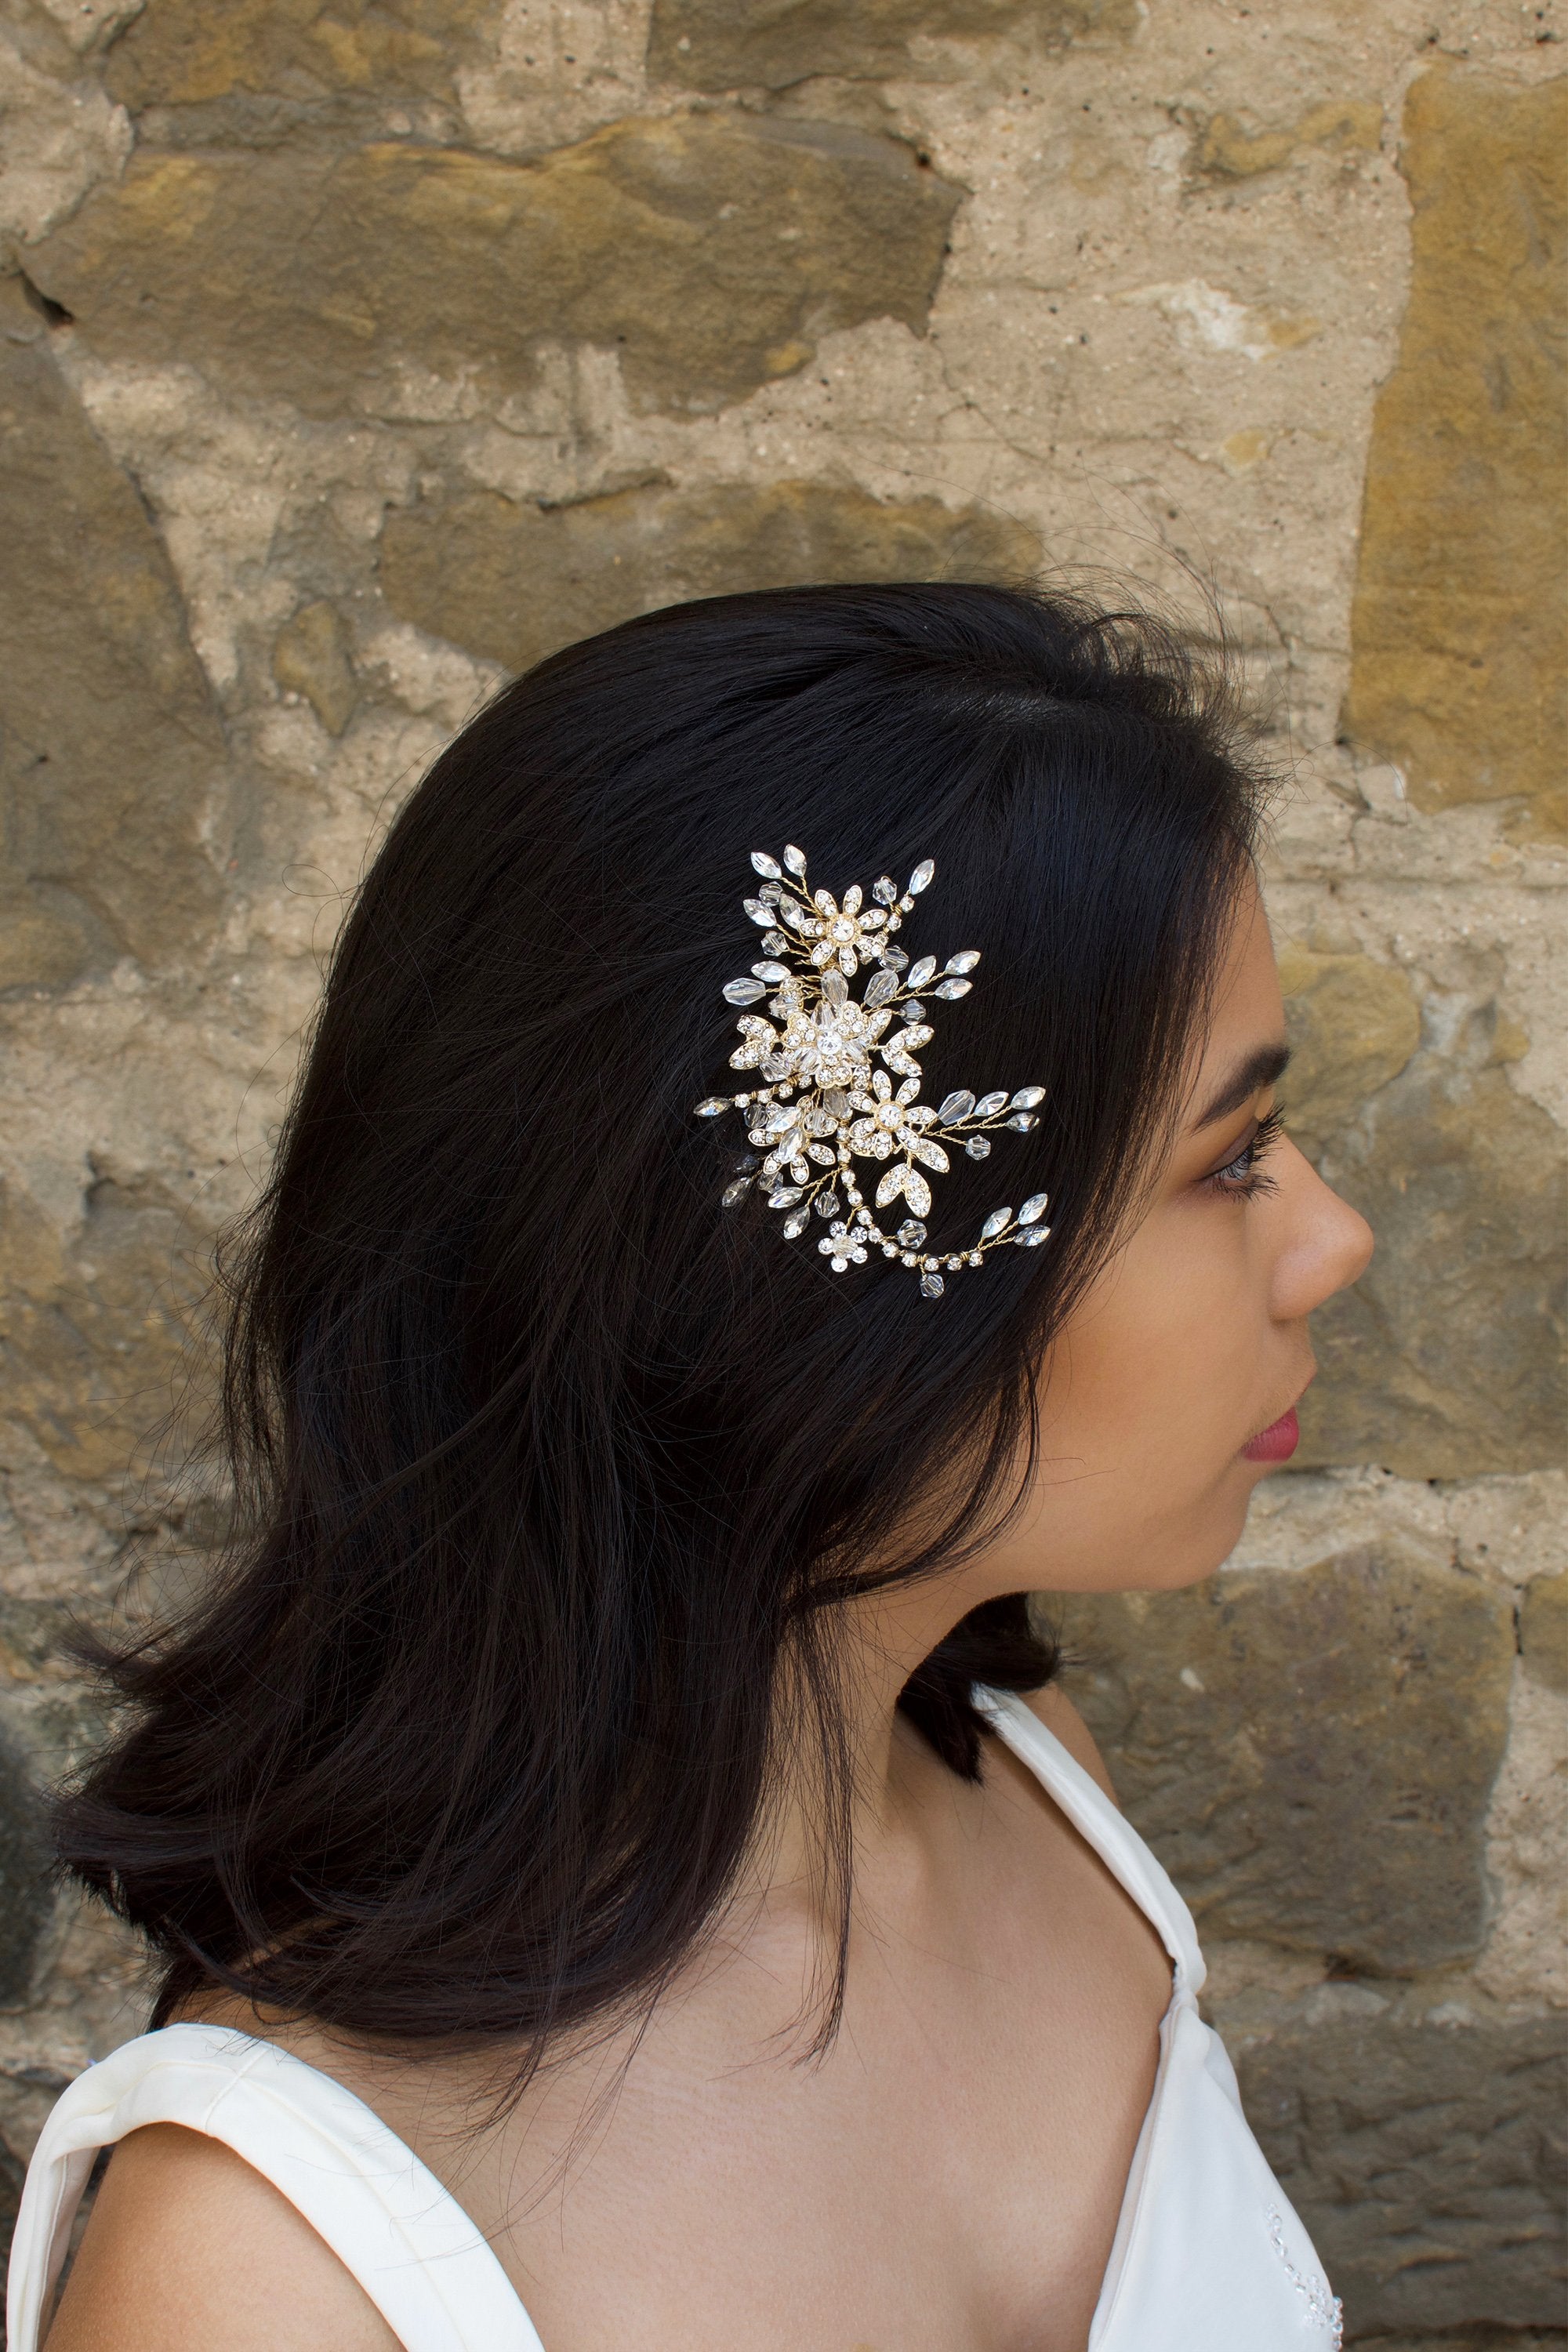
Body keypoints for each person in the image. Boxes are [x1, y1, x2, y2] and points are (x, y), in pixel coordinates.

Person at [10, 582, 1372, 2352]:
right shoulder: (272, 2272)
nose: (1330, 1240)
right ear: (797, 1283)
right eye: (1232, 1155)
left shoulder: (1040, 1797)